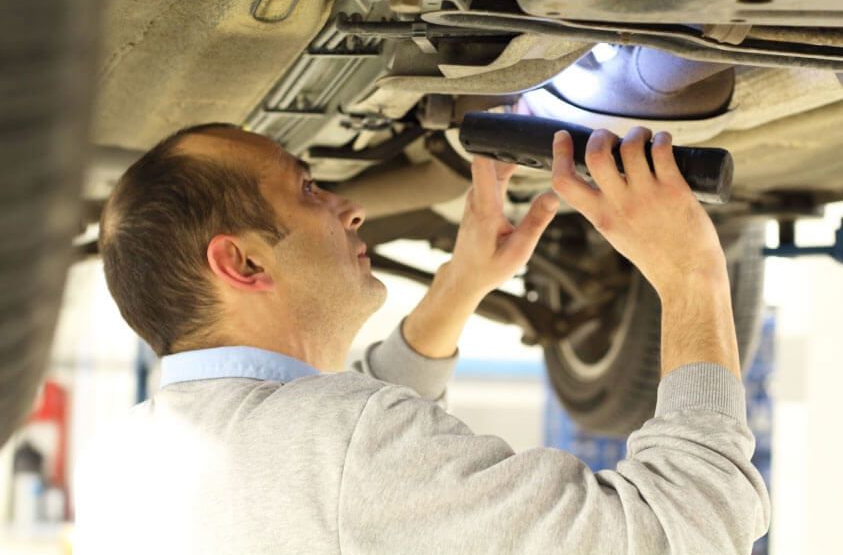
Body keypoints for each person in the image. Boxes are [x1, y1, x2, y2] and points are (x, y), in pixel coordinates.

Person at [75, 123, 770, 554]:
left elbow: (332, 481)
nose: (348, 207)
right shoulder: (333, 445)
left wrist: (462, 283)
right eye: (308, 189)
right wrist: (689, 276)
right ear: (244, 262)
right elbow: (688, 531)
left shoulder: (126, 460)